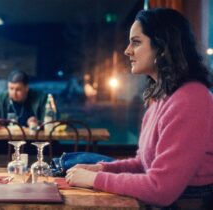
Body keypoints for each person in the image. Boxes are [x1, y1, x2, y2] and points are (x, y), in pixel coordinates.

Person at [65, 8, 213, 208]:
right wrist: (99, 169)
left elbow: (161, 189)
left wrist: (94, 180)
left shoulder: (192, 99)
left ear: (162, 47)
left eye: (136, 42)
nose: (127, 50)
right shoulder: (162, 97)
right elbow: (143, 164)